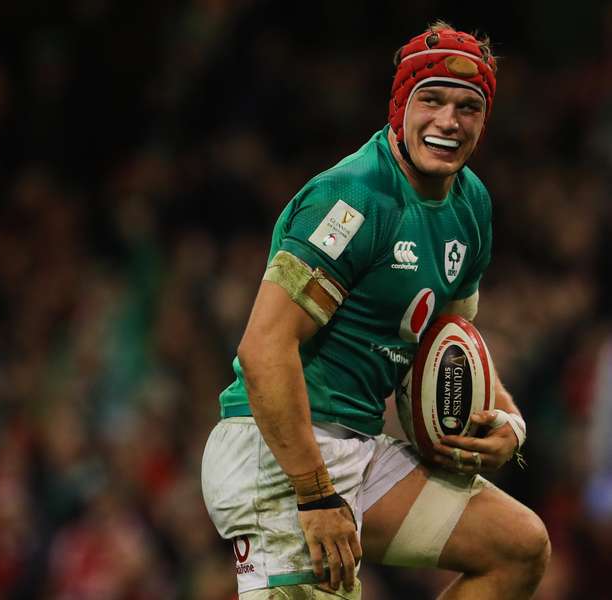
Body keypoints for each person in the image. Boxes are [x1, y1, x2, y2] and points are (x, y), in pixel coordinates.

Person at [201, 21, 550, 600]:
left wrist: (509, 423)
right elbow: (262, 351)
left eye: (468, 106)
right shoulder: (351, 197)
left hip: (359, 452)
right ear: (400, 105)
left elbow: (453, 342)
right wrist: (314, 493)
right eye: (431, 99)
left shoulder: (472, 206)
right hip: (280, 456)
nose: (448, 121)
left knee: (517, 548)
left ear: (484, 121)